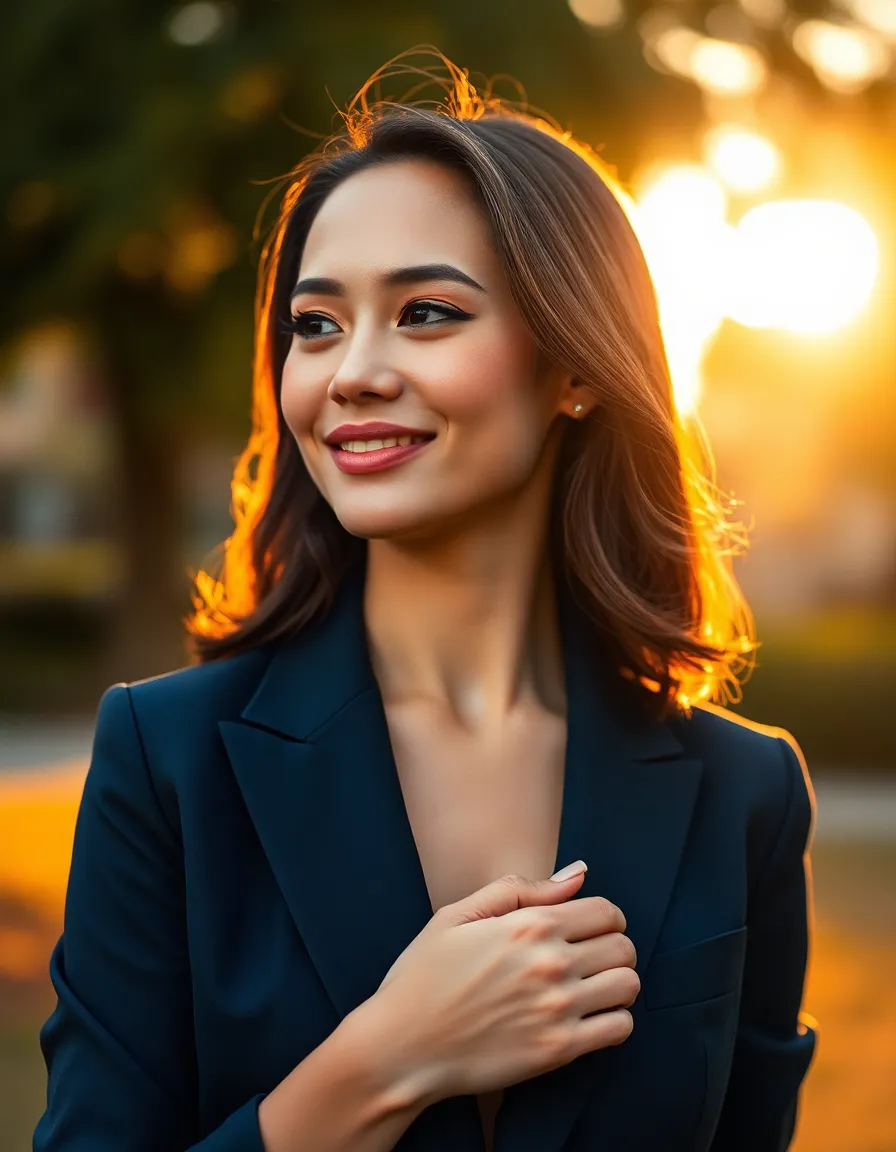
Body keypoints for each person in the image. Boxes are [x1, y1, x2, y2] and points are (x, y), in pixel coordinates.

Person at [34, 53, 817, 1152]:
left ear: (574, 368)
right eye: (315, 324)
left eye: (426, 312)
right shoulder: (168, 763)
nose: (350, 370)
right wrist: (387, 1059)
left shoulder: (745, 792)